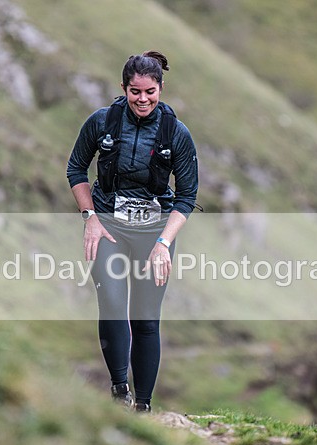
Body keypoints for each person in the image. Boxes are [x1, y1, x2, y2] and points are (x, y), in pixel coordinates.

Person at [66, 51, 199, 412]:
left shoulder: (176, 133)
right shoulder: (102, 122)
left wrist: (162, 243)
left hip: (155, 231)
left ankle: (143, 406)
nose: (143, 99)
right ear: (123, 88)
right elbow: (76, 169)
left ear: (161, 88)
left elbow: (187, 198)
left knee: (145, 318)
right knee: (111, 303)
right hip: (107, 226)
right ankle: (118, 388)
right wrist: (89, 217)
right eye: (135, 91)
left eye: (150, 92)